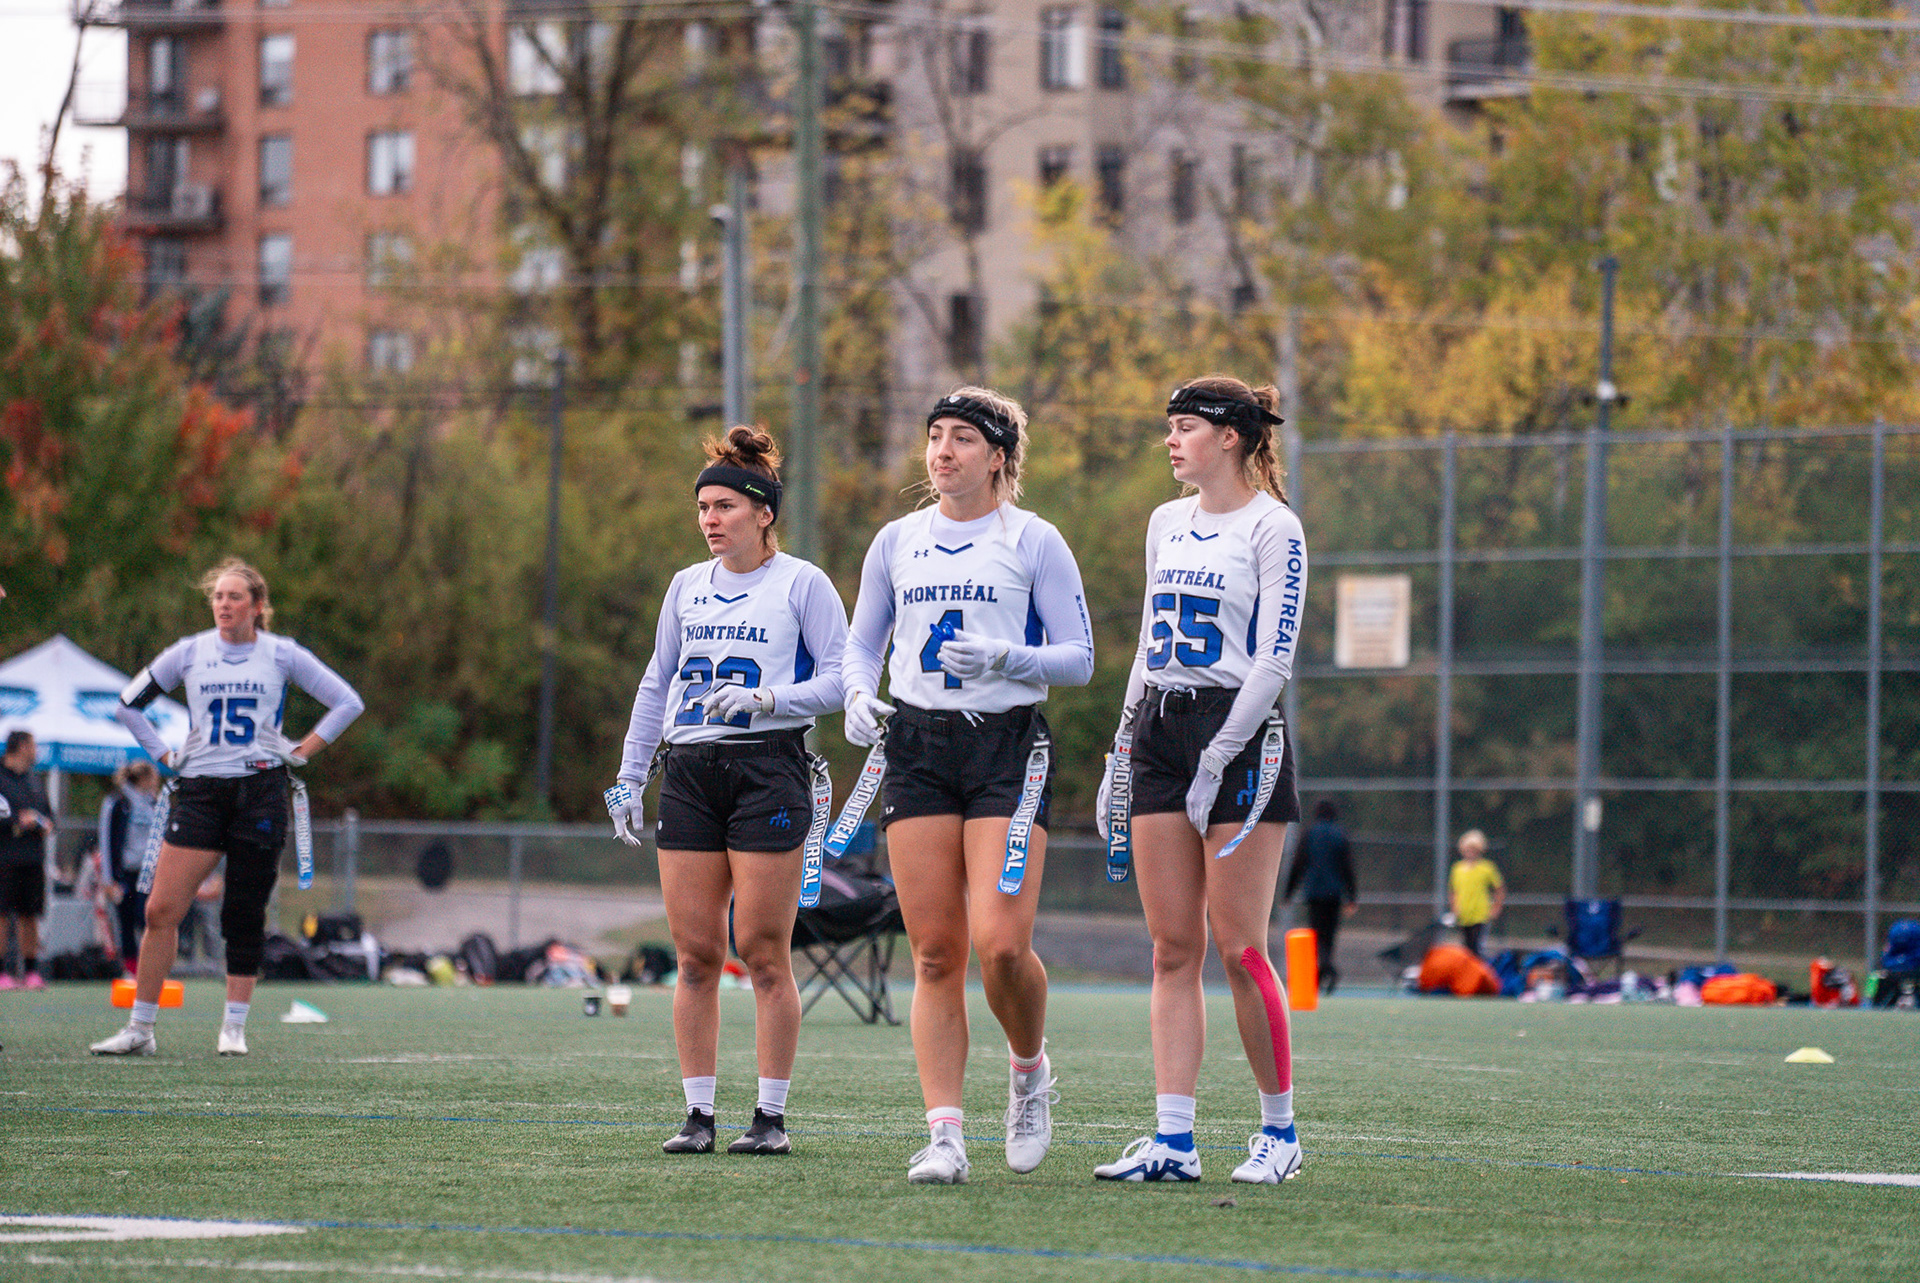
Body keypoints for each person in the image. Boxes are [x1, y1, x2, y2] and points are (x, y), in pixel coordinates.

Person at [840, 386, 1094, 1184]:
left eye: (961, 438)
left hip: (1005, 747)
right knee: (934, 951)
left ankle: (1029, 1069)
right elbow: (862, 643)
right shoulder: (897, 540)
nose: (942, 451)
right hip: (917, 744)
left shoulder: (1033, 539)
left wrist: (1006, 657)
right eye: (935, 436)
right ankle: (945, 1134)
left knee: (1001, 943)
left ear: (998, 457)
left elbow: (1080, 656)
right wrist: (856, 693)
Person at [606, 425, 848, 1157]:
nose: (710, 519)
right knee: (695, 954)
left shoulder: (801, 583)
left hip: (767, 766)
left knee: (764, 952)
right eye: (703, 507)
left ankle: (770, 1118)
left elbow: (842, 680)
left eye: (725, 506)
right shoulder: (686, 585)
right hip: (690, 772)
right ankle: (698, 1114)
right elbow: (657, 682)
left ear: (763, 512)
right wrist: (629, 774)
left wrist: (768, 700)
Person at [1092, 375, 1307, 1185]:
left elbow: (1273, 659)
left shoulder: (1273, 525)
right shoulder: (1165, 521)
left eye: (1185, 426)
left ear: (1230, 436)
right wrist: (1122, 743)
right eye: (1170, 426)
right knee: (1172, 946)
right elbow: (1148, 643)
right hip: (1160, 727)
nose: (1171, 440)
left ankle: (1279, 1131)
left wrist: (1220, 755)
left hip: (1238, 734)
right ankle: (1174, 1140)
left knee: (1241, 945)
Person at [91, 557, 364, 1056]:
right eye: (218, 596)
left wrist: (301, 750)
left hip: (260, 791)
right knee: (159, 909)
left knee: (243, 911)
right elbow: (128, 704)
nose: (224, 604)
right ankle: (140, 1028)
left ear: (258, 606)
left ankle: (233, 1027)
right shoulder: (190, 652)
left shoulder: (281, 654)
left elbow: (347, 702)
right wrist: (165, 755)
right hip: (201, 791)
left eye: (235, 596)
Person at [1284, 800, 1357, 994]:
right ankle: (1325, 970)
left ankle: (1325, 970)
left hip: (1314, 893)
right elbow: (1347, 867)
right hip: (1334, 894)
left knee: (1316, 934)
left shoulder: (1310, 834)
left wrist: (1289, 892)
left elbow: (1299, 863)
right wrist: (1351, 896)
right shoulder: (1340, 834)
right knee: (1329, 935)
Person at [0, 730, 54, 990]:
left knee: (29, 915)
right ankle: (2, 973)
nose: (36, 750)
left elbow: (50, 819)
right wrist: (16, 821)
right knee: (1, 915)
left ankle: (31, 972)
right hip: (4, 858)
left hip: (32, 859)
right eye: (33, 745)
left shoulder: (34, 780)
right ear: (21, 747)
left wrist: (40, 822)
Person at [100, 759, 162, 971]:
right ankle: (131, 969)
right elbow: (106, 840)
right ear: (143, 778)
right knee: (126, 921)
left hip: (149, 873)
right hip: (125, 873)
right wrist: (108, 879)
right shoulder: (118, 802)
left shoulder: (155, 804)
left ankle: (150, 968)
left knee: (148, 920)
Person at [1448, 829, 1504, 957]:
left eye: (1474, 849)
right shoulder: (1457, 869)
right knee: (1466, 949)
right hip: (1464, 914)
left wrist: (1496, 907)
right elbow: (1453, 891)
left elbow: (1499, 888)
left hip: (1481, 914)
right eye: (1468, 849)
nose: (1470, 852)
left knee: (1477, 948)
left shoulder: (1487, 868)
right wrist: (1455, 908)